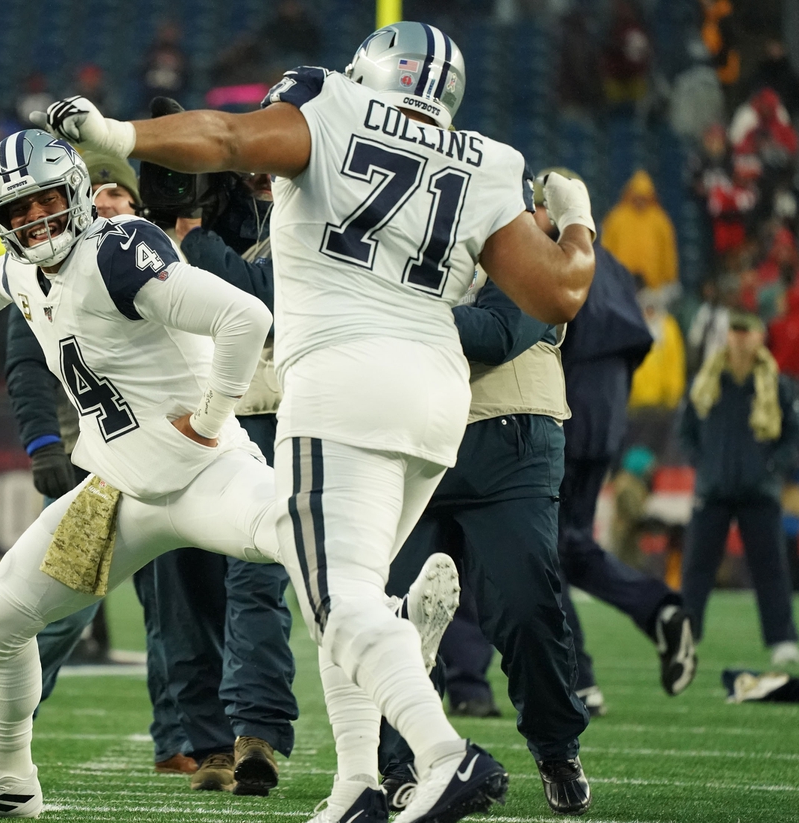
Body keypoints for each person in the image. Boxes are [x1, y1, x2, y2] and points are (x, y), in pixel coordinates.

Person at [35, 20, 598, 822]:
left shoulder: (331, 103)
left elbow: (227, 136)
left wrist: (118, 133)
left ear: (370, 71)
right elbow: (558, 294)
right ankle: (357, 785)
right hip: (438, 396)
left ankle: (444, 756)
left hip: (344, 381)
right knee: (348, 593)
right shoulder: (491, 161)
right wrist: (576, 219)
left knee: (338, 602)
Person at [0, 130, 314, 818]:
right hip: (118, 491)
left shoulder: (117, 248)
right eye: (18, 211)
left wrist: (210, 414)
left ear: (77, 194)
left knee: (317, 559)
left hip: (207, 472)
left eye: (45, 200)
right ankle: (8, 781)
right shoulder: (23, 266)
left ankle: (393, 700)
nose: (34, 220)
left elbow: (246, 315)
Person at [377, 268, 592, 815]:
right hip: (409, 432)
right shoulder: (401, 219)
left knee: (525, 605)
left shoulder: (532, 239)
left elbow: (499, 334)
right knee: (389, 612)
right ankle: (400, 763)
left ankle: (555, 747)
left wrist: (389, 312)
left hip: (509, 434)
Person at [554, 173, 697, 717]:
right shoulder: (612, 264)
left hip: (563, 417)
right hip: (609, 423)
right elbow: (637, 343)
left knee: (544, 552)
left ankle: (578, 679)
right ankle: (659, 609)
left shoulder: (559, 254)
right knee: (570, 547)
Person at [680, 312, 799, 666]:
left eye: (747, 331)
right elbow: (684, 431)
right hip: (713, 488)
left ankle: (782, 638)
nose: (741, 338)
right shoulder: (706, 381)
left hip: (758, 490)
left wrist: (772, 466)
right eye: (735, 331)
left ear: (759, 337)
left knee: (770, 567)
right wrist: (704, 464)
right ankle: (688, 636)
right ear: (727, 335)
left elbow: (793, 434)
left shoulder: (777, 385)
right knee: (696, 568)